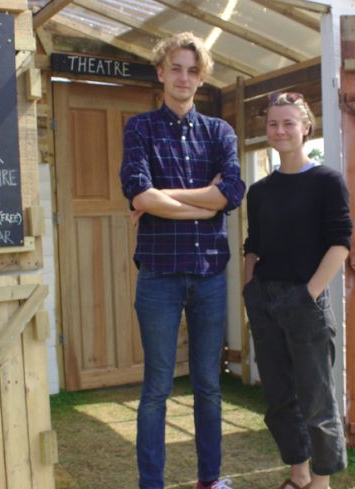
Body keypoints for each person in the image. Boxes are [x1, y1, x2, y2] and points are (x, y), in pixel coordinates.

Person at [119, 32, 245, 489]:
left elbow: (230, 192)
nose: (184, 77)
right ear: (161, 72)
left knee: (209, 386)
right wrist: (204, 204)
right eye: (176, 68)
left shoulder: (220, 132)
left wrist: (160, 197)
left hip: (210, 274)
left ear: (202, 76)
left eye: (193, 70)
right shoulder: (140, 128)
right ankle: (151, 484)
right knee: (156, 390)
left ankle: (209, 480)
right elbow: (137, 189)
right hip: (159, 274)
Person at [242, 92, 352, 489]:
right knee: (278, 400)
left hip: (306, 302)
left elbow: (340, 244)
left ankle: (321, 483)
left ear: (306, 128)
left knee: (317, 401)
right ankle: (298, 475)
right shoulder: (259, 192)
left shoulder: (326, 181)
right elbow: (252, 245)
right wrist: (251, 289)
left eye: (289, 123)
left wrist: (308, 293)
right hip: (265, 300)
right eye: (273, 124)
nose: (280, 130)